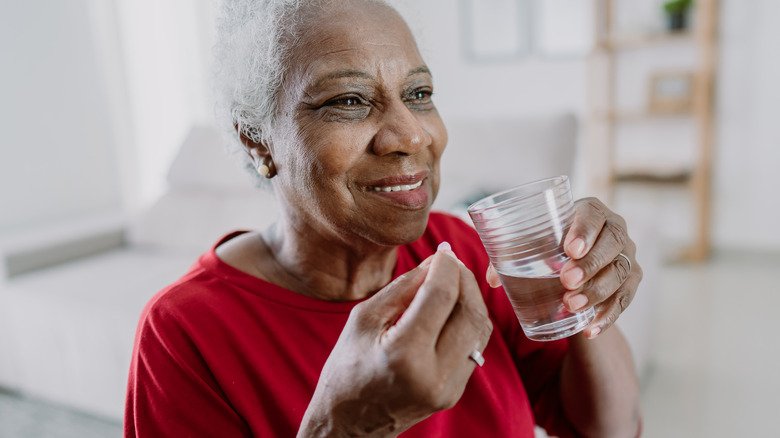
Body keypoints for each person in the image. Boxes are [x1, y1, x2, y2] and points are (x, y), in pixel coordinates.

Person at [124, 0, 643, 436]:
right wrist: (345, 426)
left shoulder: (460, 249)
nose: (412, 136)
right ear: (256, 137)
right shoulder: (182, 333)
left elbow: (608, 428)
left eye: (419, 95)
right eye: (349, 100)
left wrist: (587, 299)